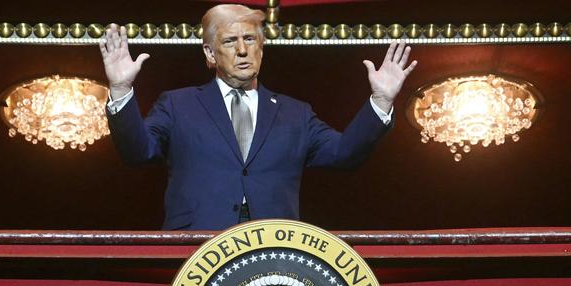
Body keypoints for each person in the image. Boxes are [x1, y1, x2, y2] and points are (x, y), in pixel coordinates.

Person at [99, 4, 417, 230]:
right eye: (229, 41)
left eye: (250, 40)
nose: (242, 50)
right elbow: (137, 152)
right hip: (196, 250)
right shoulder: (178, 104)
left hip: (273, 251)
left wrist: (381, 100)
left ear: (261, 49)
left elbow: (344, 153)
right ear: (210, 54)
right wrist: (121, 88)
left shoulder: (295, 113)